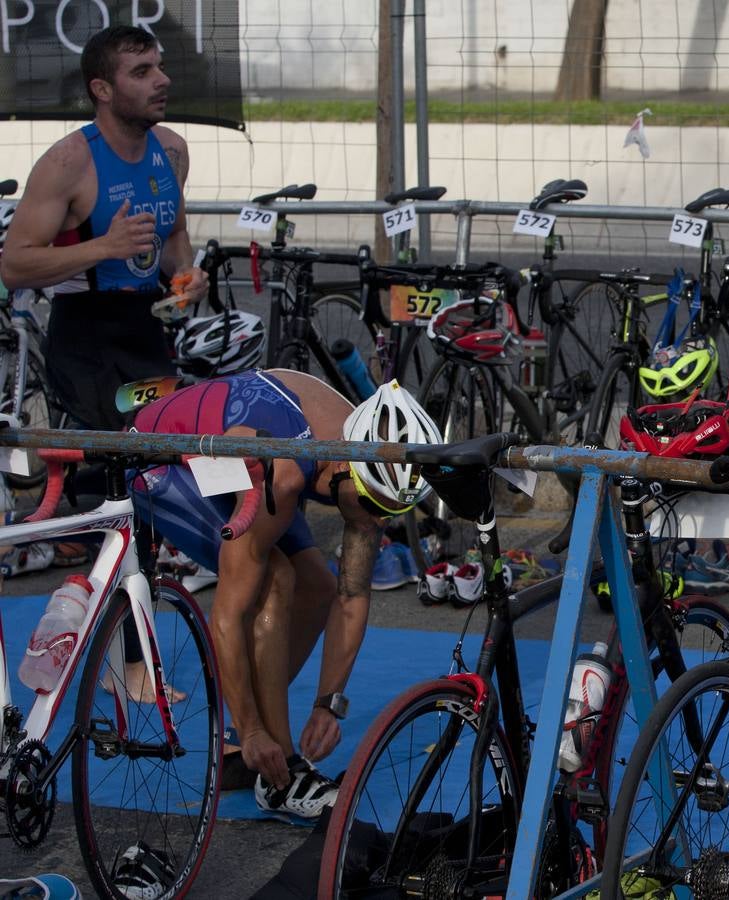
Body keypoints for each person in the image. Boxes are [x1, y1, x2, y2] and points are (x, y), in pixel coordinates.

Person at [129, 370, 440, 821]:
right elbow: (227, 616)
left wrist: (328, 703)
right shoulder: (288, 472)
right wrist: (255, 729)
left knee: (318, 586)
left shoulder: (364, 455)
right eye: (374, 506)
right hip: (161, 458)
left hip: (247, 453)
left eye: (393, 511)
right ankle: (280, 771)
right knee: (274, 580)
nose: (377, 522)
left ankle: (243, 741)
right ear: (346, 469)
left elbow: (351, 596)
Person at [0, 24, 207, 431]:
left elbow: (175, 236)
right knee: (133, 444)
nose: (163, 80)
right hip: (85, 339)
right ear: (103, 90)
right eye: (142, 72)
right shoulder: (67, 162)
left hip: (145, 330)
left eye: (161, 67)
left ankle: (94, 483)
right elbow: (14, 266)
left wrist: (186, 273)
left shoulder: (172, 149)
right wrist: (103, 247)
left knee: (170, 439)